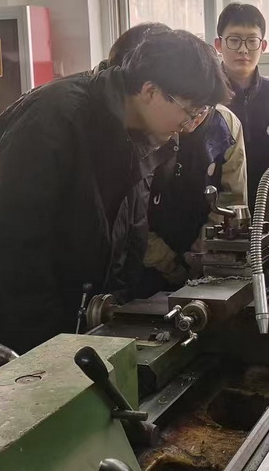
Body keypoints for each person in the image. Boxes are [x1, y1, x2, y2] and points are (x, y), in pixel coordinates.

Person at [0, 27, 228, 385]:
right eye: (189, 111)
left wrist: (114, 314)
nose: (190, 125)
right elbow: (9, 244)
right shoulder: (52, 118)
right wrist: (50, 346)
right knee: (12, 406)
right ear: (150, 91)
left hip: (61, 301)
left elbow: (129, 231)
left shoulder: (143, 136)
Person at [97, 24, 247, 293]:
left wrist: (201, 254)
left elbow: (231, 201)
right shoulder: (137, 126)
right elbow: (127, 215)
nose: (194, 119)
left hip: (202, 261)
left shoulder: (224, 126)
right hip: (141, 262)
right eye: (189, 109)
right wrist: (170, 264)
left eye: (202, 109)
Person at [216, 2, 269, 209]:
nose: (243, 49)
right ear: (219, 45)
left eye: (252, 41)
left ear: (262, 46)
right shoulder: (204, 101)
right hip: (218, 216)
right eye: (234, 40)